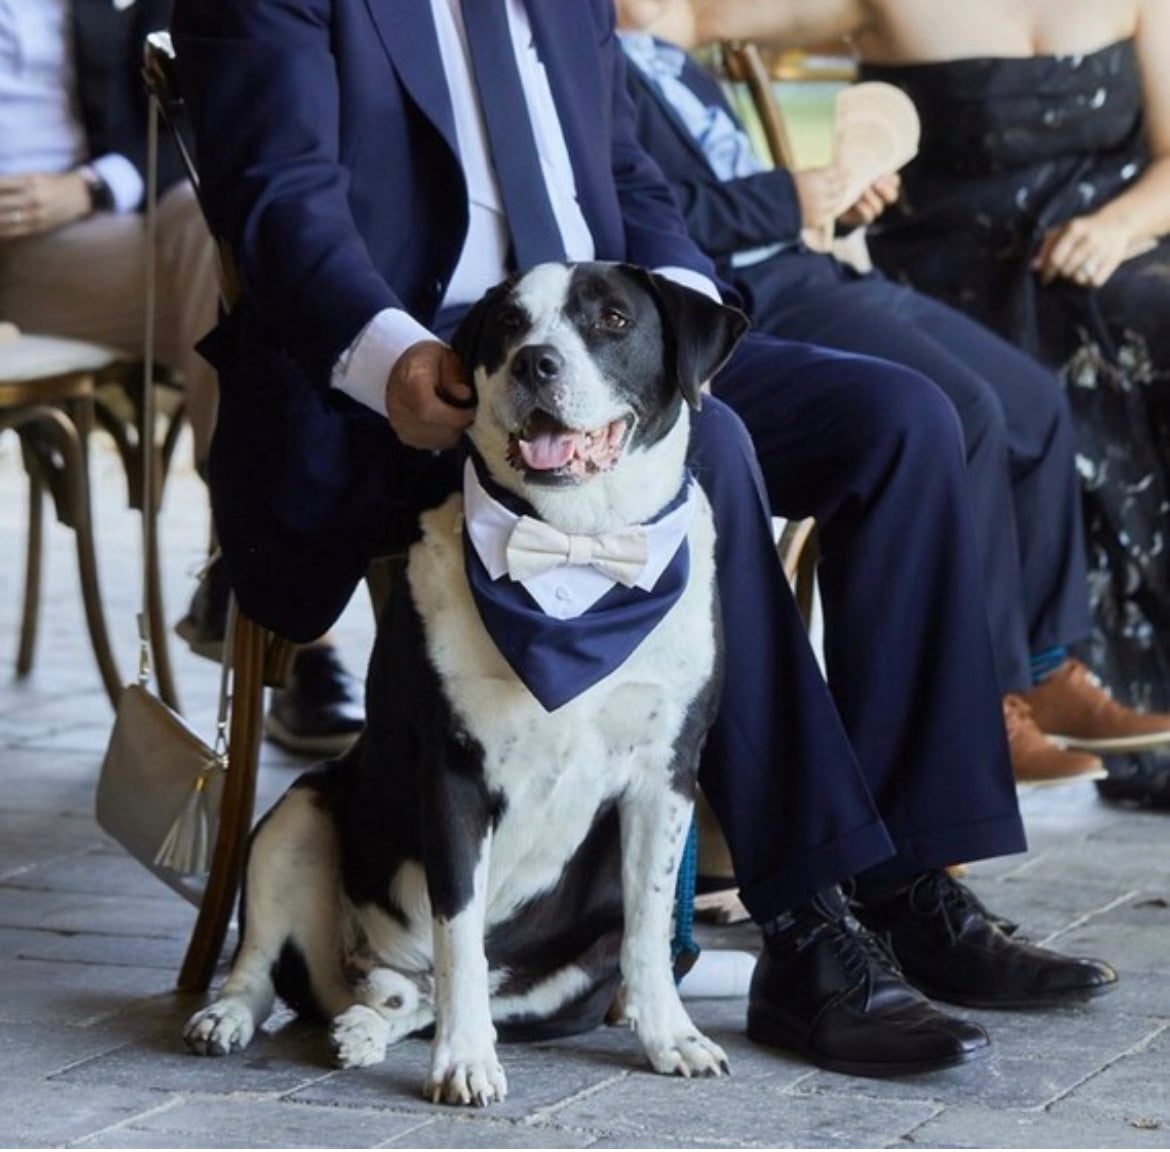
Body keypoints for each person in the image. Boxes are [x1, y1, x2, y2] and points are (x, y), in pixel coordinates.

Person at [170, 0, 1116, 1079]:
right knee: (719, 459)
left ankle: (906, 885)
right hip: (418, 371)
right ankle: (808, 934)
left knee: (905, 423)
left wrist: (685, 334)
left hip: (612, 345)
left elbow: (627, 181)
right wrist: (390, 356)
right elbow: (277, 198)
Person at [613, 1, 1170, 789]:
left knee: (1036, 402)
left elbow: (712, 152)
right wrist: (788, 198)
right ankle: (990, 706)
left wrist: (831, 195)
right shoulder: (597, 60)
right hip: (760, 291)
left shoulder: (667, 58)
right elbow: (649, 212)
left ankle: (1049, 667)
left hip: (812, 264)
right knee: (968, 411)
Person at [0, 0, 363, 756]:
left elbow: (176, 116)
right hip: (19, 264)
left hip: (88, 230)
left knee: (231, 245)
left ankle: (254, 562)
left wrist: (94, 186)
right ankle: (287, 613)